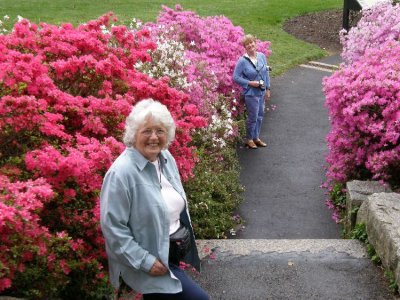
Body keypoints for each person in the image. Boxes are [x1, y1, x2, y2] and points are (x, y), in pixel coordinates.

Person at [100, 99, 209, 300]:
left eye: (159, 130)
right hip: (150, 261)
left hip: (171, 255)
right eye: (146, 131)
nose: (153, 137)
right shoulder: (121, 173)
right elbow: (113, 229)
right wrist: (146, 261)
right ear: (134, 134)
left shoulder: (165, 158)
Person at [233, 34, 271, 149]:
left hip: (262, 91)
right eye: (247, 44)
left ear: (255, 43)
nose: (250, 45)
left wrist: (268, 88)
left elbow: (266, 73)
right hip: (251, 93)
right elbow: (235, 77)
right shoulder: (242, 61)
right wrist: (250, 83)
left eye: (251, 42)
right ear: (245, 47)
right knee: (253, 117)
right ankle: (249, 139)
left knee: (260, 115)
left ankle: (256, 137)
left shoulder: (262, 56)